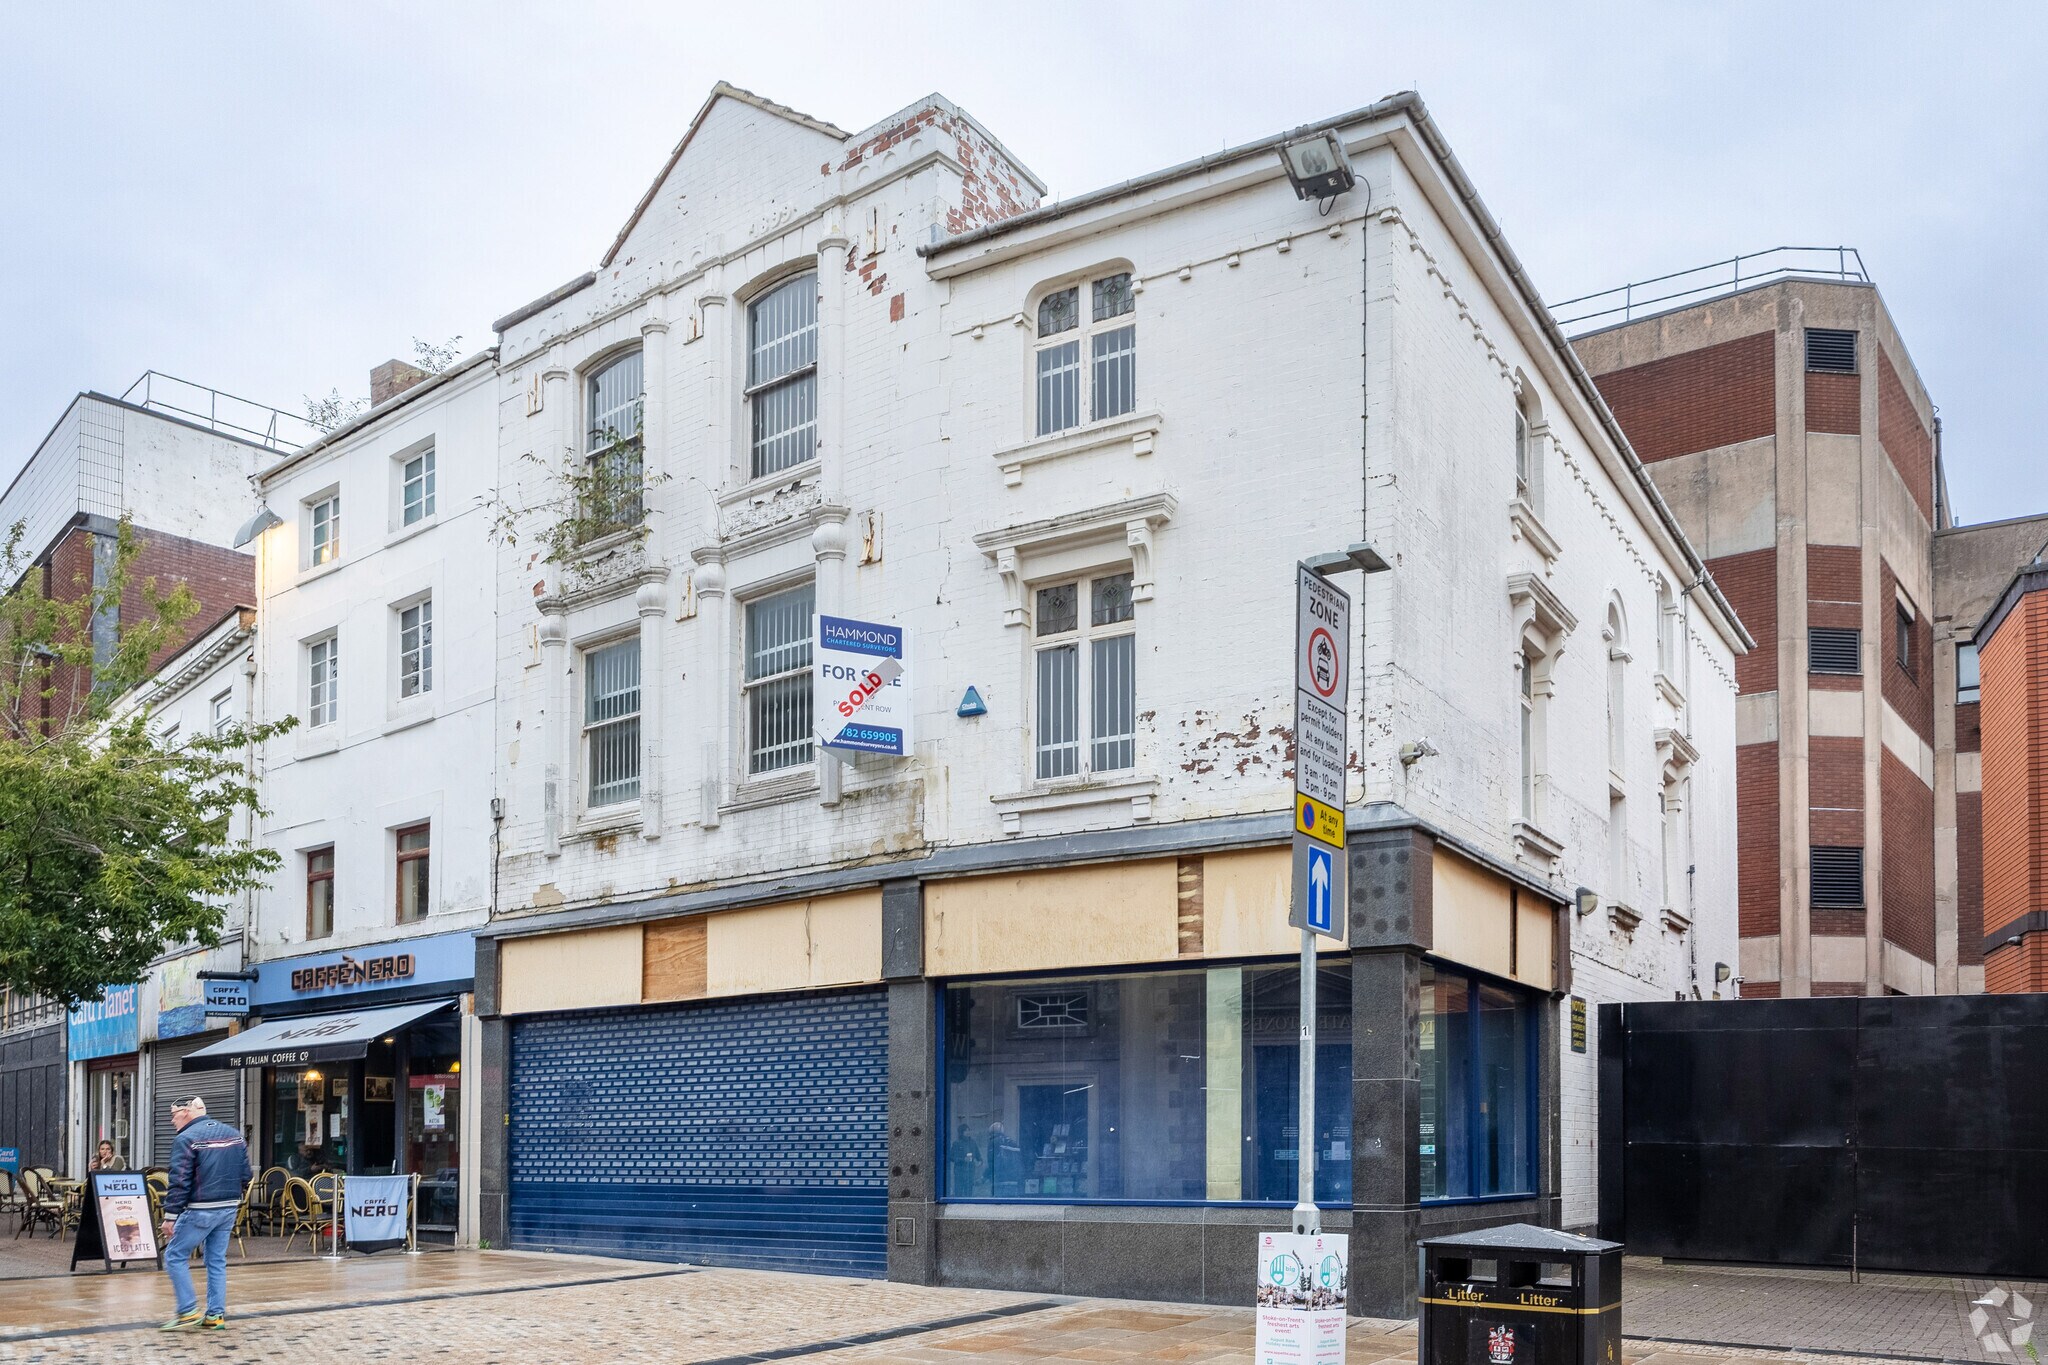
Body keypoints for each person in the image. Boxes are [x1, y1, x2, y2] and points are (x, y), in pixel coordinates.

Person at [158, 1096, 251, 1332]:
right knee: (216, 1260)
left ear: (187, 1112)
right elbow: (246, 1175)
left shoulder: (186, 1139)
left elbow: (179, 1181)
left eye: (173, 1114)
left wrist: (170, 1216)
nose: (171, 1120)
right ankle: (215, 1315)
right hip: (229, 1207)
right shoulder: (235, 1135)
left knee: (175, 1255)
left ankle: (188, 1309)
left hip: (200, 1208)